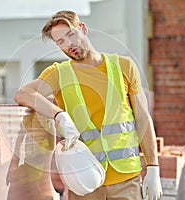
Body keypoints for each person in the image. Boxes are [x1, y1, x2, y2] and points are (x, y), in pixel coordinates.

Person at [14, 10, 163, 200]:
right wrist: (59, 115)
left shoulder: (124, 67)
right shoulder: (59, 74)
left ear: (83, 29)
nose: (69, 44)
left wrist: (153, 168)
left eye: (71, 34)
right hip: (84, 183)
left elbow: (142, 119)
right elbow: (23, 94)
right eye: (60, 42)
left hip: (126, 181)